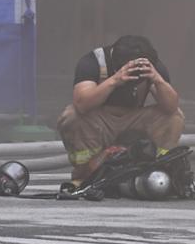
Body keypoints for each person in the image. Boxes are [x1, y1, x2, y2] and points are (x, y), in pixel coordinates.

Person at [57, 35, 184, 184]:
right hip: (99, 122)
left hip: (134, 121)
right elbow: (81, 104)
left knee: (174, 117)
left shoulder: (151, 66)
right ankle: (86, 173)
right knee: (72, 116)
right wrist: (115, 80)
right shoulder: (93, 62)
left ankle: (159, 170)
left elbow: (171, 107)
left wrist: (157, 79)